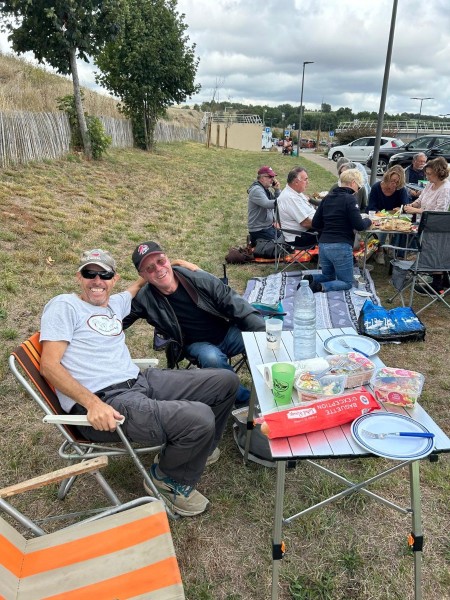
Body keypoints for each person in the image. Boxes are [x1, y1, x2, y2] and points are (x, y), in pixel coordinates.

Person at [39, 248, 239, 517]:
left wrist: (178, 264)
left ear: (114, 278)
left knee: (225, 380)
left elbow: (137, 285)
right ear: (79, 277)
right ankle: (167, 479)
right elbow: (49, 365)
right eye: (90, 273)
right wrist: (92, 404)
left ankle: (201, 448)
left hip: (138, 381)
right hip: (106, 403)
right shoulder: (64, 305)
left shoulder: (114, 304)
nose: (97, 281)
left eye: (104, 275)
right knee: (199, 417)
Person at [123, 241, 265, 406]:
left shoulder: (197, 277)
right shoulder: (144, 299)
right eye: (149, 268)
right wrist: (136, 286)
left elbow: (234, 302)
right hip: (196, 345)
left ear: (167, 259)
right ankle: (245, 401)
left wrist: (263, 331)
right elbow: (113, 320)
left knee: (264, 335)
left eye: (160, 261)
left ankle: (273, 386)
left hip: (228, 333)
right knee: (211, 357)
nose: (158, 269)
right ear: (143, 275)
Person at [303, 169, 372, 293]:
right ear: (352, 183)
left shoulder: (327, 198)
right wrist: (370, 221)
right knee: (346, 283)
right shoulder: (350, 200)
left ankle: (309, 279)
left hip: (323, 245)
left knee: (328, 276)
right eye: (359, 185)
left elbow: (316, 223)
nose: (359, 189)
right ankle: (320, 287)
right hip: (341, 245)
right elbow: (360, 225)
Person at [368, 165, 410, 265]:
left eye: (397, 182)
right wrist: (381, 214)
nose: (394, 184)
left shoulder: (401, 190)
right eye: (393, 181)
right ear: (387, 177)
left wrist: (401, 209)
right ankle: (380, 251)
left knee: (402, 227)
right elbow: (371, 206)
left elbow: (405, 206)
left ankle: (395, 250)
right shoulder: (376, 187)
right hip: (378, 216)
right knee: (382, 229)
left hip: (394, 218)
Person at [276, 166, 317, 246]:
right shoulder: (289, 197)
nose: (308, 182)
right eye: (305, 179)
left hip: (307, 232)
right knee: (336, 231)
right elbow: (305, 223)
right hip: (299, 237)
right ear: (296, 182)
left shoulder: (296, 193)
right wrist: (326, 224)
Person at [247, 165, 281, 245]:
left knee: (286, 239)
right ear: (262, 178)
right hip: (259, 230)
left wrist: (277, 190)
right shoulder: (256, 190)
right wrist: (285, 200)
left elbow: (276, 205)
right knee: (282, 244)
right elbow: (268, 204)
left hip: (268, 227)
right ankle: (254, 243)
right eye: (270, 177)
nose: (272, 179)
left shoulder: (265, 190)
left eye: (273, 177)